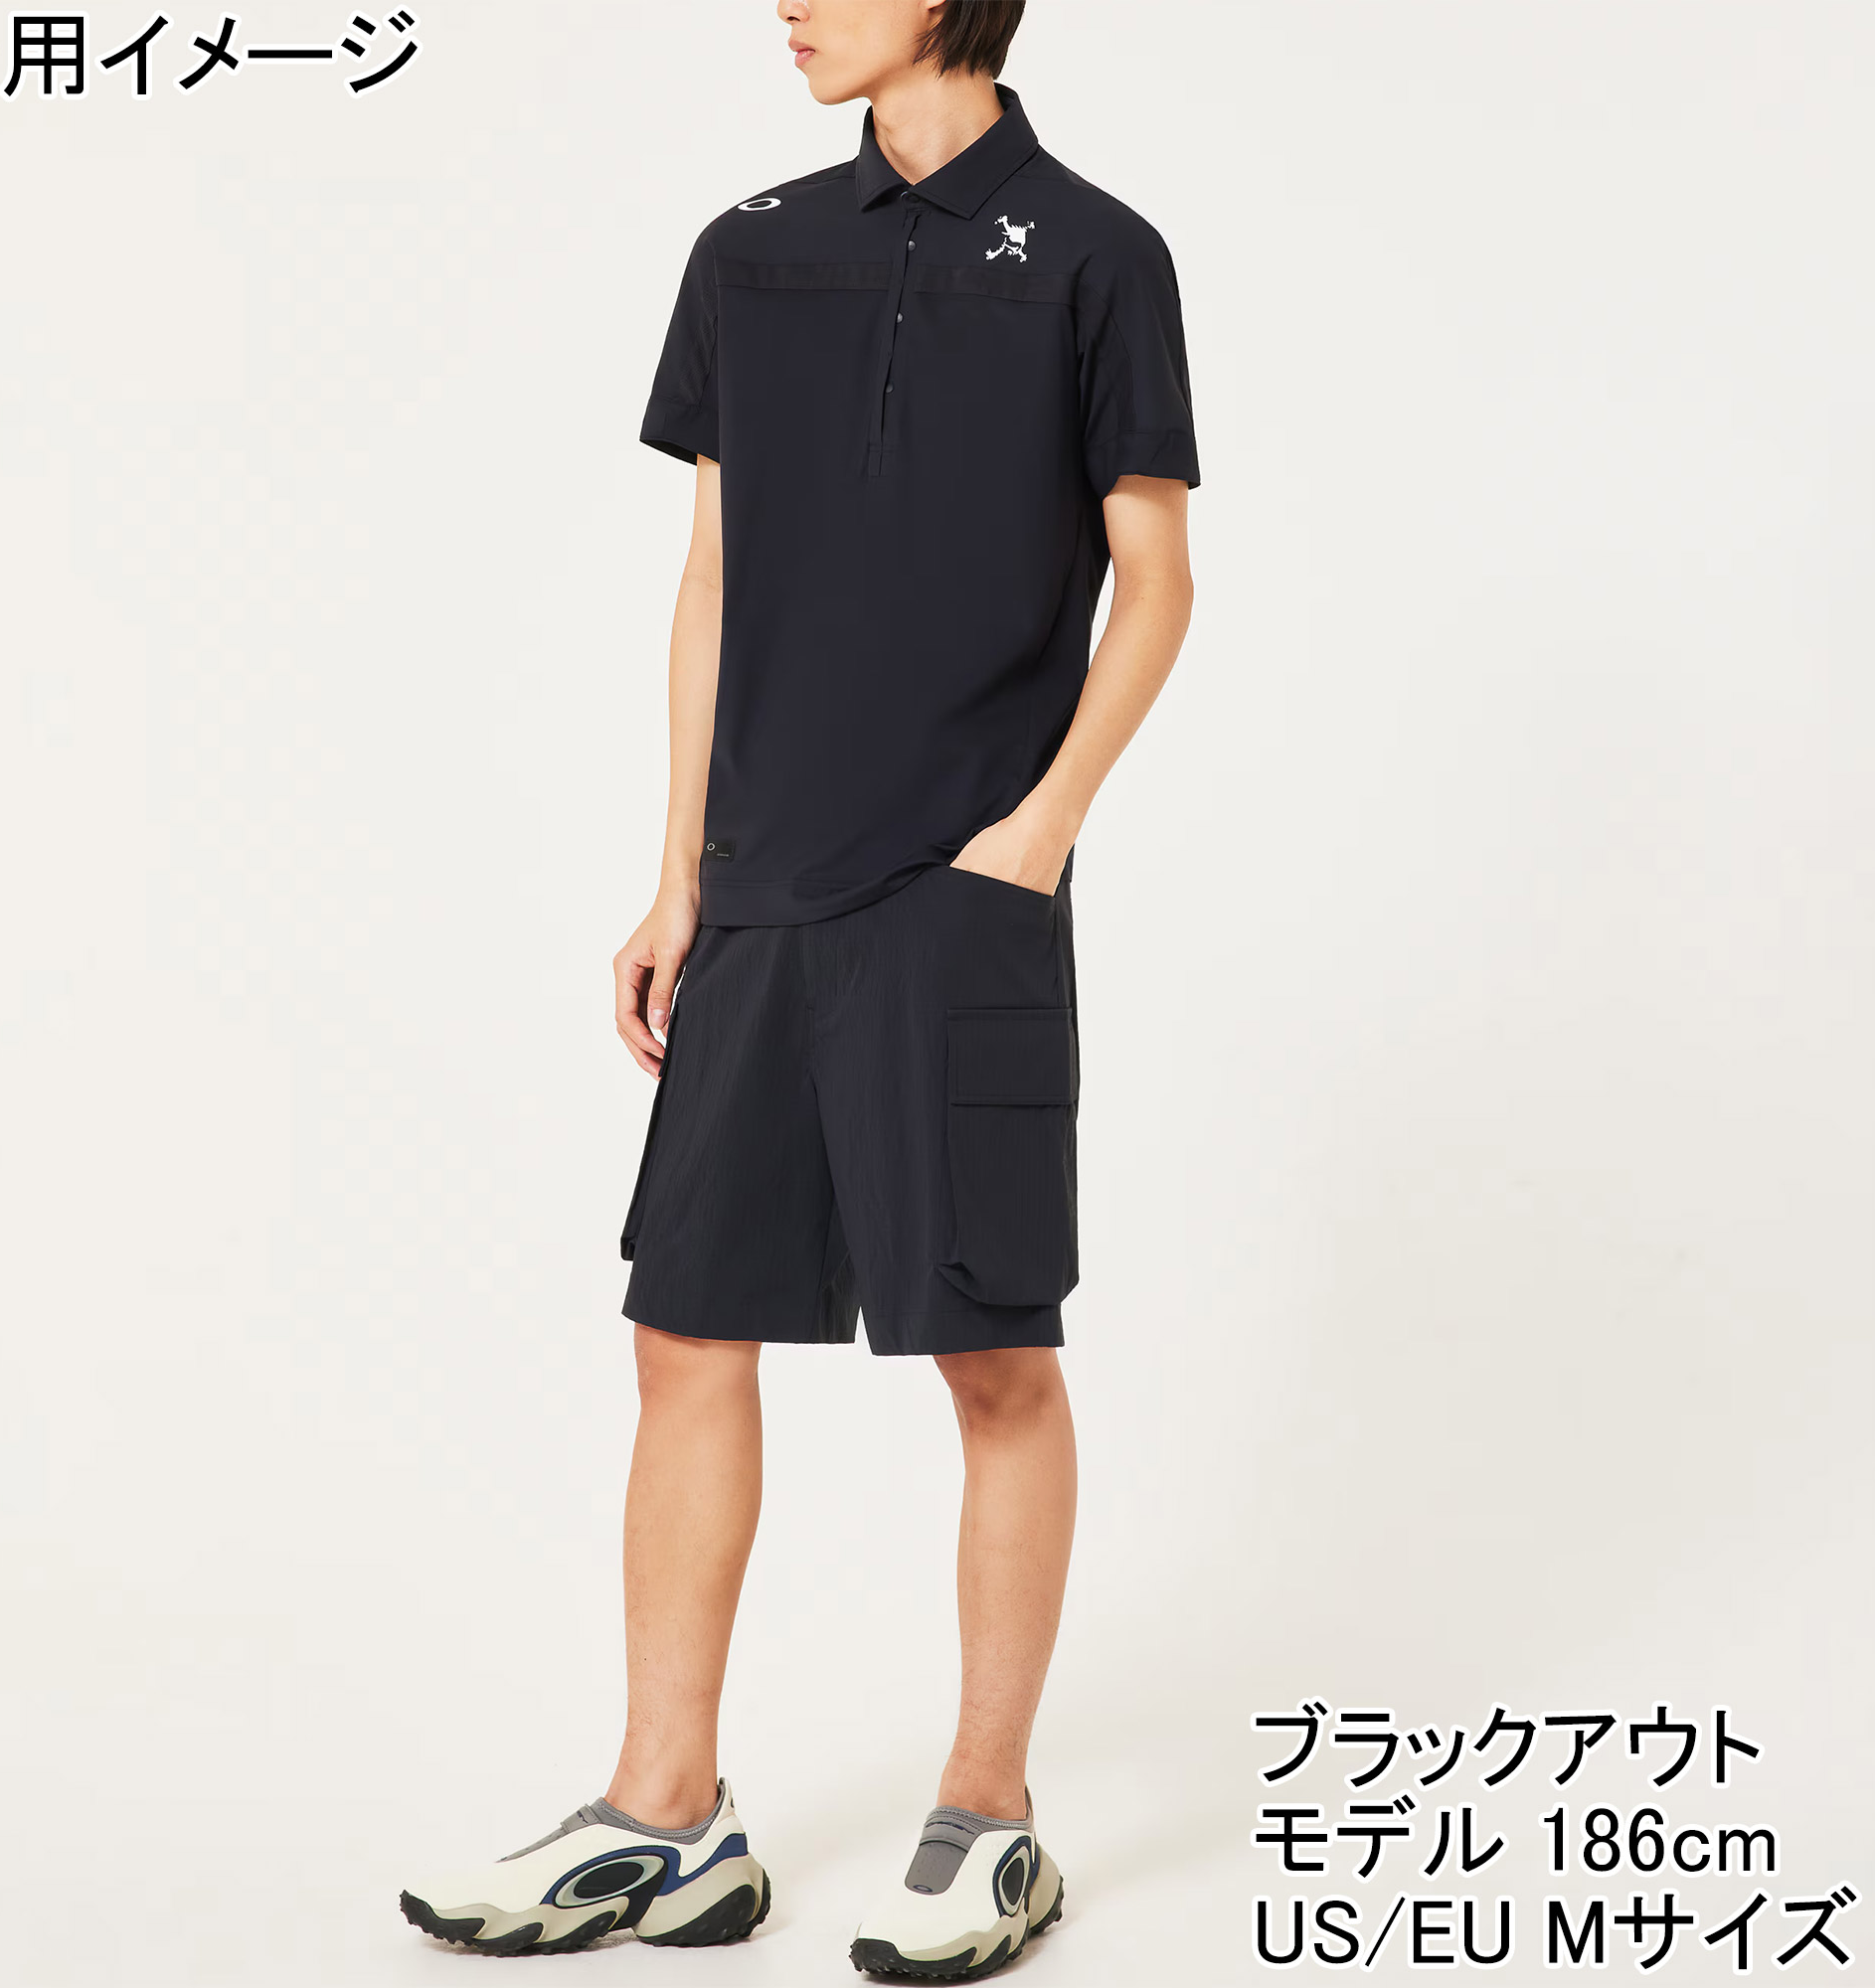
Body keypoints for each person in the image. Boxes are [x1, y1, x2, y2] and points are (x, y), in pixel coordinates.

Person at [398, 0, 1196, 1975]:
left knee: (990, 1355)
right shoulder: (750, 248)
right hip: (756, 892)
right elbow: (713, 577)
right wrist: (679, 875)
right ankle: (664, 1814)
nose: (788, 3)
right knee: (683, 1332)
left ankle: (988, 1819)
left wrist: (1034, 836)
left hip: (959, 894)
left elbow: (1157, 578)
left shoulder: (1099, 254)